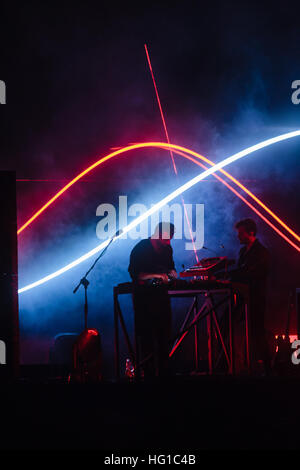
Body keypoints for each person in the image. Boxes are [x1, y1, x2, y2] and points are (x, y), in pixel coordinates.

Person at [128, 222, 177, 379]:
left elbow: (171, 268)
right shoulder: (141, 248)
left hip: (161, 298)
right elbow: (137, 275)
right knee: (147, 341)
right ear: (157, 235)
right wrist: (157, 276)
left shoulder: (167, 249)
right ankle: (147, 377)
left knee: (164, 339)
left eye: (169, 239)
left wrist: (173, 274)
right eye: (165, 239)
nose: (168, 243)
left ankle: (164, 376)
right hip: (144, 301)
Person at [230, 218, 271, 374]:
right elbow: (241, 271)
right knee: (233, 327)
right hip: (242, 297)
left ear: (251, 233)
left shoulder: (261, 252)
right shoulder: (243, 251)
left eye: (241, 233)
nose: (238, 237)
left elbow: (252, 273)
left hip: (255, 298)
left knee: (257, 332)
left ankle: (267, 369)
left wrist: (225, 275)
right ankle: (240, 366)